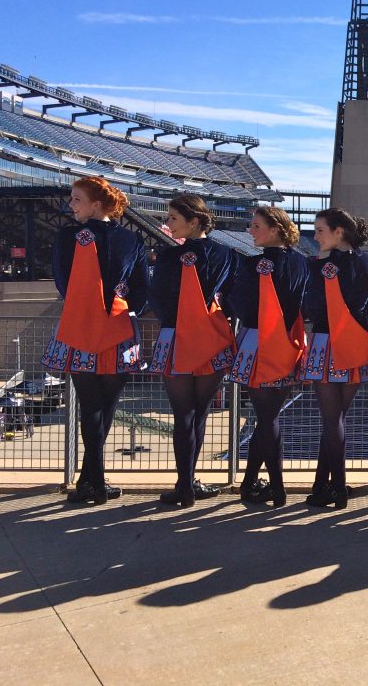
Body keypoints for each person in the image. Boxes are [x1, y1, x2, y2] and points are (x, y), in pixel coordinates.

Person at [42, 177, 148, 505]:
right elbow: (142, 288)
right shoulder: (131, 239)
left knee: (90, 408)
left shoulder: (67, 236)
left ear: (96, 204)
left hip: (80, 328)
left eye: (76, 199)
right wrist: (122, 303)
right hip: (119, 330)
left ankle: (93, 481)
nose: (71, 205)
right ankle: (93, 480)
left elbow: (62, 282)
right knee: (107, 408)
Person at [147, 195, 238, 507]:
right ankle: (191, 481)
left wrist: (174, 321)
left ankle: (184, 484)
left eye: (173, 218)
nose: (168, 223)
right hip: (211, 340)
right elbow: (231, 297)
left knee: (182, 414)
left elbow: (156, 297)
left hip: (175, 340)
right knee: (199, 414)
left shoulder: (170, 256)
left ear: (194, 221)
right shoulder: (226, 253)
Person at [300, 208, 368, 510]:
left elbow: (311, 306)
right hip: (357, 343)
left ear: (338, 232)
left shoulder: (318, 265)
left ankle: (337, 487)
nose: (315, 235)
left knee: (332, 420)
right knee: (337, 420)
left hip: (326, 343)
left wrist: (319, 265)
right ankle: (324, 486)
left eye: (320, 230)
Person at [228, 207, 308, 508]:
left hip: (257, 342)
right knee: (267, 417)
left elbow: (241, 305)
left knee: (267, 417)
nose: (251, 230)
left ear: (274, 229)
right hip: (289, 343)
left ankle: (276, 486)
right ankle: (251, 482)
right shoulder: (302, 263)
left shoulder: (252, 264)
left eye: (256, 225)